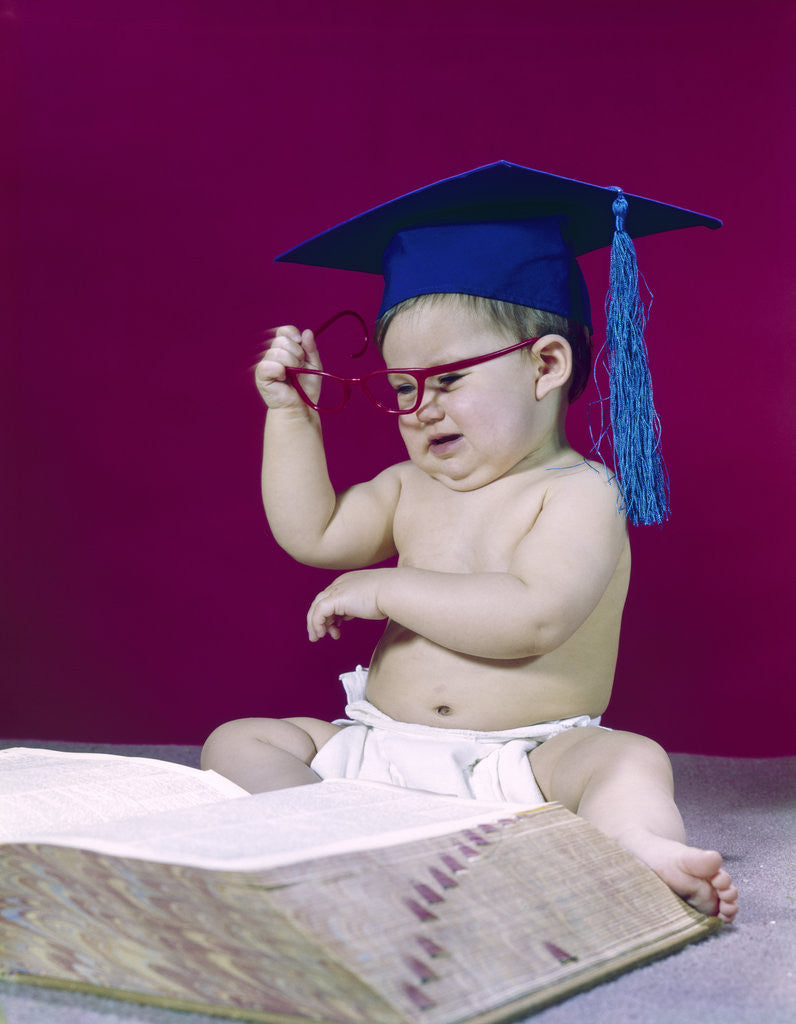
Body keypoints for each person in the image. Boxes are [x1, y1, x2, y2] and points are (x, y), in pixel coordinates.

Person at [202, 163, 738, 922]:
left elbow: (534, 616)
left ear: (546, 366)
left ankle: (642, 849)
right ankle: (331, 830)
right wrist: (291, 418)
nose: (419, 409)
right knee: (239, 741)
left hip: (524, 760)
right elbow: (314, 534)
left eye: (448, 379)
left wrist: (386, 588)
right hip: (379, 754)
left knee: (627, 759)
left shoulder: (580, 493)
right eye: (399, 389)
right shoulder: (407, 485)